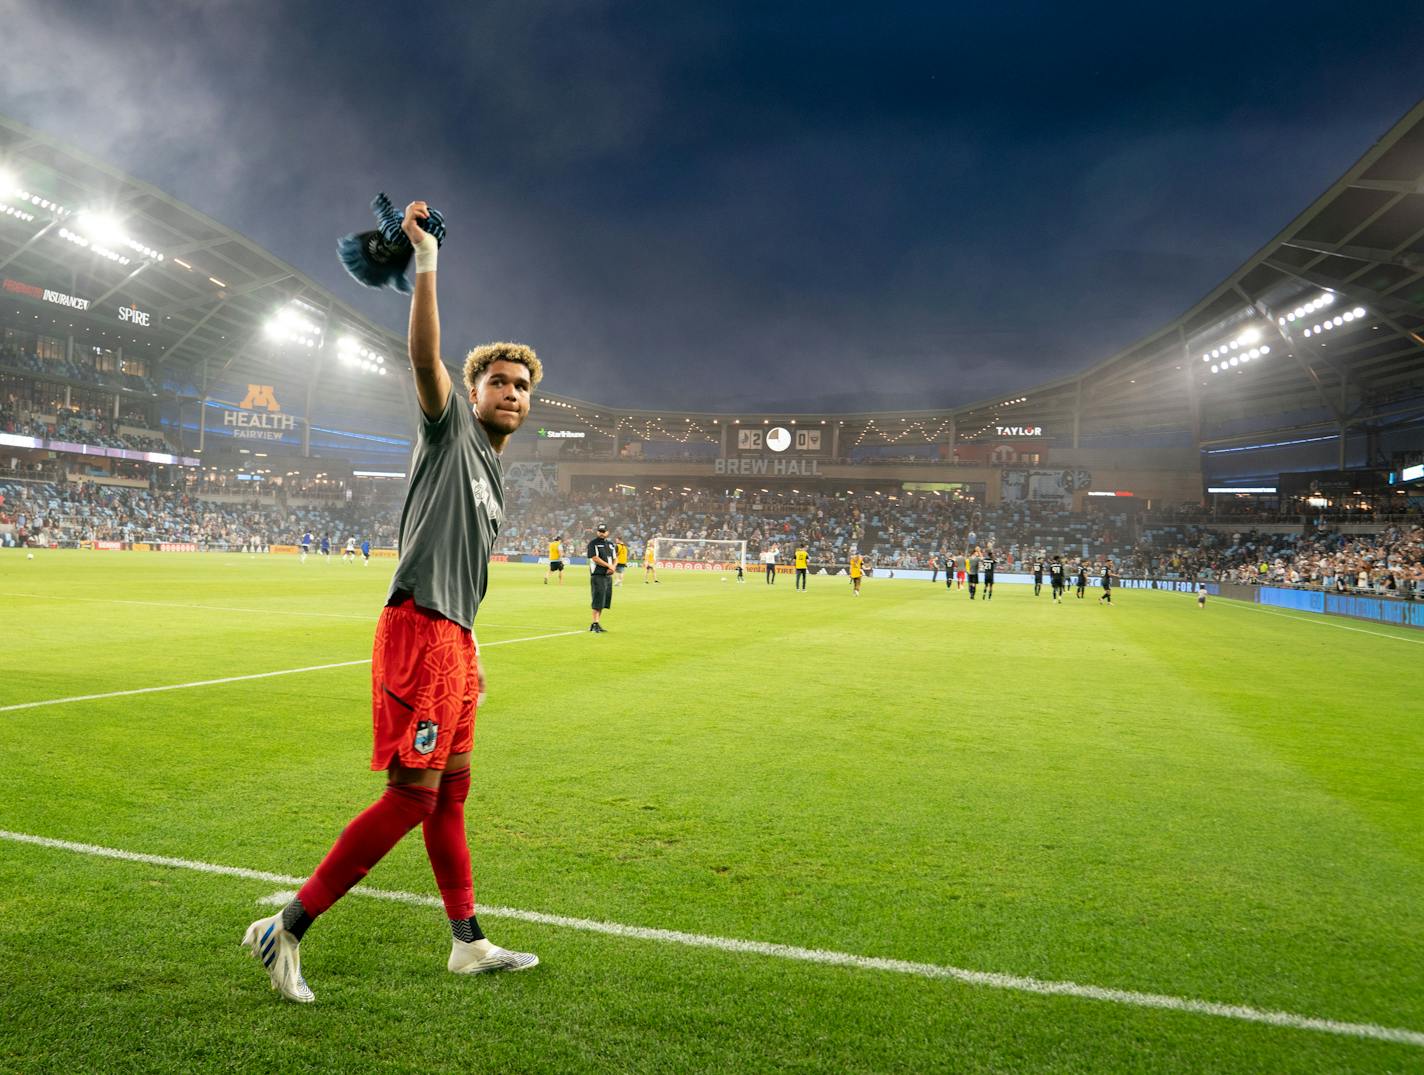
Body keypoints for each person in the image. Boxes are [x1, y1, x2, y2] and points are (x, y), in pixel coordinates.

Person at [241, 200, 542, 1004]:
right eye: (498, 381)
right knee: (411, 795)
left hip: (457, 641)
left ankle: (468, 942)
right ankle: (286, 926)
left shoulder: (495, 467)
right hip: (418, 632)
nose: (510, 392)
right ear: (471, 391)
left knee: (451, 792)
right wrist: (427, 261)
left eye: (520, 386)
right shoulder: (451, 431)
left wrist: (473, 646)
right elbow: (423, 358)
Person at [588, 524, 616, 632]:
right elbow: (595, 558)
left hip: (608, 576)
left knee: (603, 602)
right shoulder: (593, 543)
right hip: (598, 575)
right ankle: (595, 623)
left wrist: (613, 567)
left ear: (607, 532)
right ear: (597, 532)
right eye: (600, 531)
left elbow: (615, 558)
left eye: (603, 531)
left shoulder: (610, 544)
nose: (601, 533)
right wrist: (609, 566)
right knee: (597, 600)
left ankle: (596, 623)